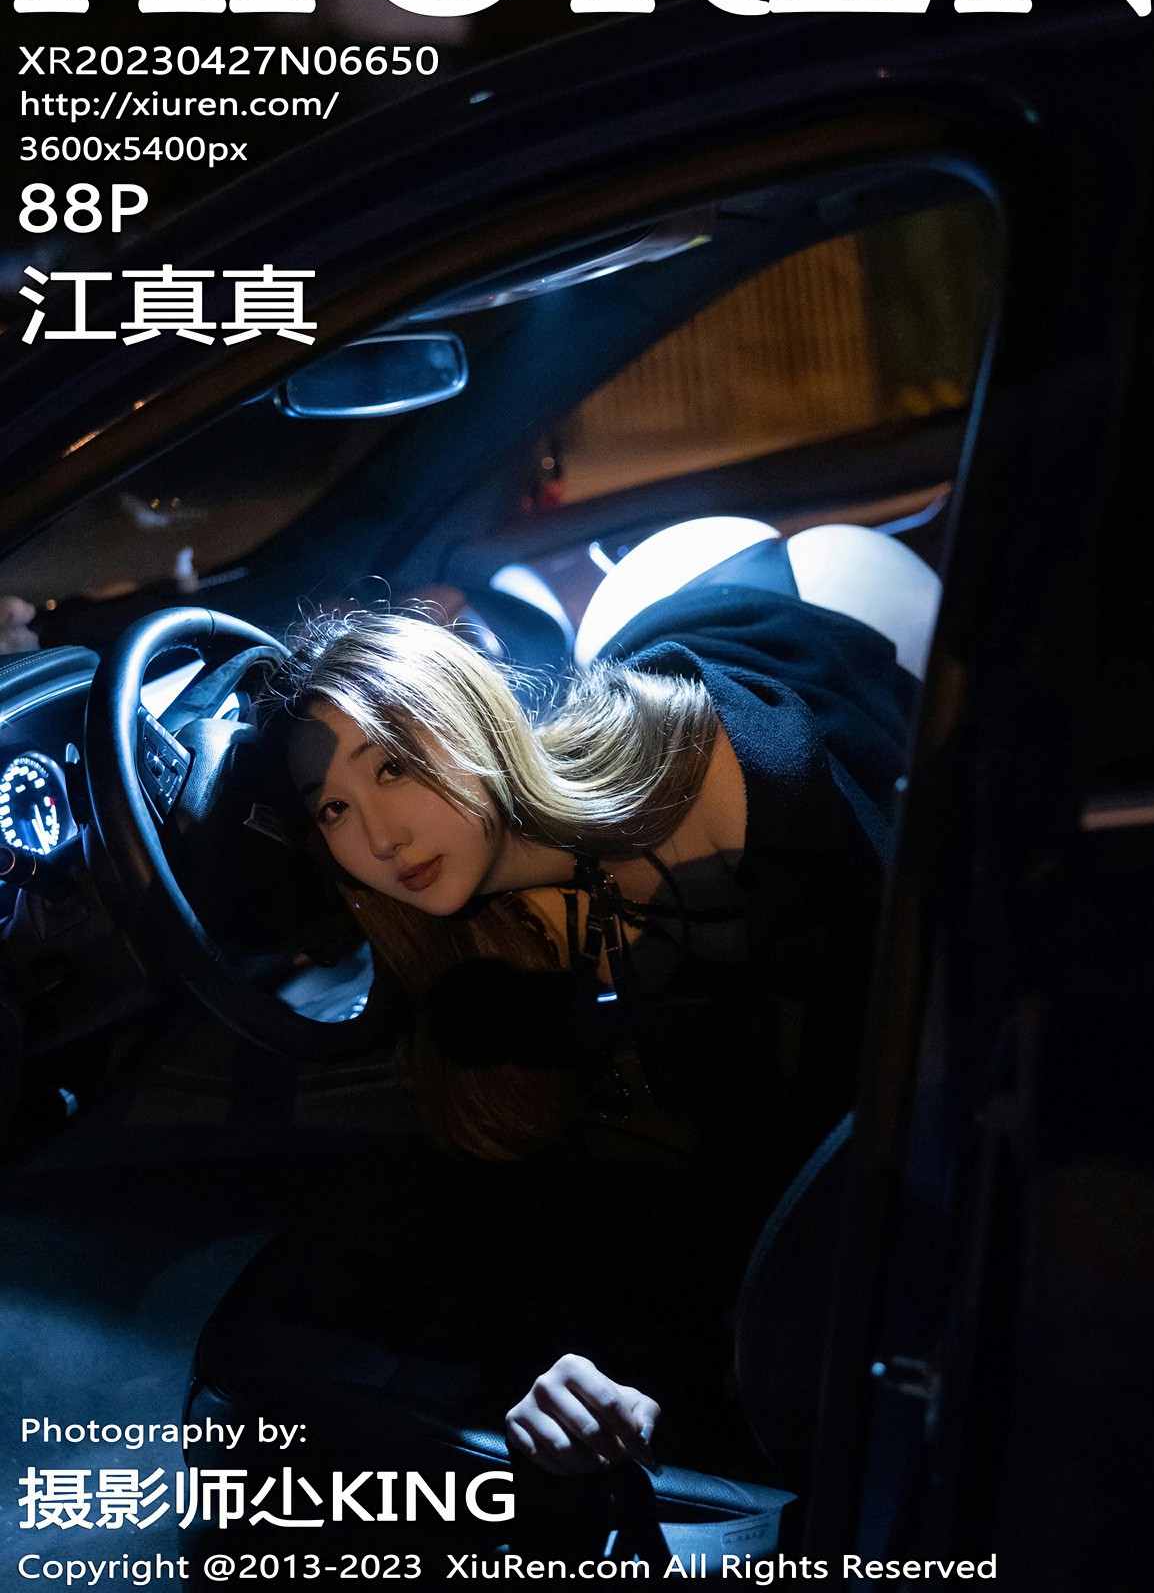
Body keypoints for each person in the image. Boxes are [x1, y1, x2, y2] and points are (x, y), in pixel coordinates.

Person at [270, 529, 928, 1477]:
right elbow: (565, 1216)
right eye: (332, 809)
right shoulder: (470, 968)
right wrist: (571, 1375)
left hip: (822, 591)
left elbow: (913, 1039)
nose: (378, 837)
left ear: (466, 719)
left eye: (392, 766)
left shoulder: (733, 779)